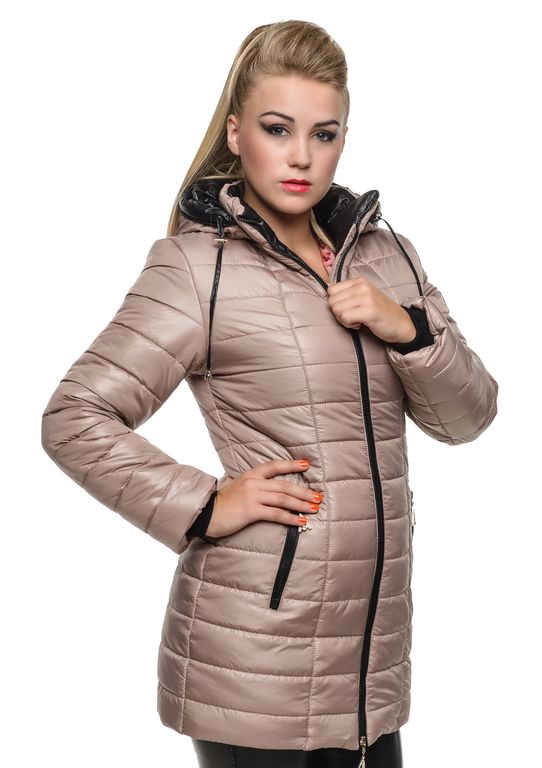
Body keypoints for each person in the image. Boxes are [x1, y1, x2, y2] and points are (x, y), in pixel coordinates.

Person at [41, 18, 499, 768]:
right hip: (251, 664)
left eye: (324, 134)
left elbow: (469, 416)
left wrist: (408, 328)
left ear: (344, 139)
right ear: (236, 132)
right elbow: (74, 416)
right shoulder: (197, 268)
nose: (300, 156)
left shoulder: (388, 255)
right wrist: (204, 504)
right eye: (277, 129)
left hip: (369, 669)